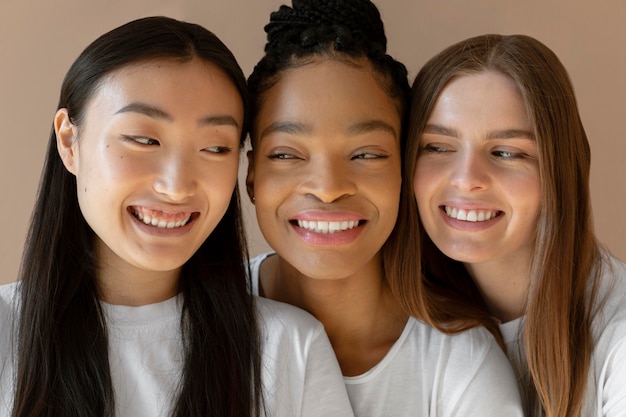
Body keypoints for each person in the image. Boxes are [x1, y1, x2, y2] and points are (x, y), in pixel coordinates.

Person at [0, 16, 354, 417]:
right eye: (144, 140)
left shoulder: (289, 347)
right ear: (69, 141)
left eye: (215, 148)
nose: (177, 186)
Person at [245, 1, 524, 416]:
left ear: (405, 170)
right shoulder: (195, 320)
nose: (327, 189)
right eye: (286, 154)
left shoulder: (460, 362)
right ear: (251, 176)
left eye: (366, 154)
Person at [387, 33, 626, 416]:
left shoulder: (618, 332)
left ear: (559, 172)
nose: (466, 179)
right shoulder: (393, 321)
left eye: (506, 152)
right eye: (437, 147)